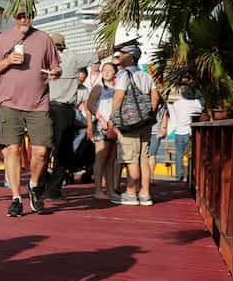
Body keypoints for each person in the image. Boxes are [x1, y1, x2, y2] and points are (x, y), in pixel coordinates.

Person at [0, 9, 60, 217]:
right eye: (19, 16)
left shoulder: (44, 39)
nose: (23, 19)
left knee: (42, 152)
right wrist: (8, 61)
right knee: (12, 150)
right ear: (13, 17)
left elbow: (56, 67)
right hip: (9, 102)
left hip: (39, 103)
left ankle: (34, 185)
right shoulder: (3, 39)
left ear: (32, 16)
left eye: (27, 15)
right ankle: (16, 198)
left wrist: (56, 73)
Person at [45, 33, 108, 201]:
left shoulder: (43, 58)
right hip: (64, 110)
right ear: (63, 45)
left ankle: (38, 186)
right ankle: (53, 190)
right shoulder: (71, 57)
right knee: (63, 151)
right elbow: (97, 56)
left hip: (44, 108)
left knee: (43, 150)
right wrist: (113, 48)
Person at [110, 45, 160, 206]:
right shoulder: (146, 75)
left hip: (128, 123)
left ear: (131, 57)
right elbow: (155, 97)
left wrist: (113, 117)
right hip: (145, 122)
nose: (120, 57)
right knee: (144, 158)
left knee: (130, 158)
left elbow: (118, 96)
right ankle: (145, 193)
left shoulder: (124, 74)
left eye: (123, 54)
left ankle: (131, 193)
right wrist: (148, 114)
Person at [87, 62, 119, 199]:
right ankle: (98, 190)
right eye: (104, 70)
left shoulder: (118, 88)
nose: (106, 72)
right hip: (102, 125)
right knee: (101, 157)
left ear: (115, 73)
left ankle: (111, 189)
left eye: (109, 70)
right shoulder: (99, 87)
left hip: (115, 125)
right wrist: (101, 119)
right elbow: (90, 104)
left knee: (111, 159)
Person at [162, 87, 203, 183]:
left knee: (179, 155)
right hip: (190, 132)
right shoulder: (196, 103)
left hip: (179, 132)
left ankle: (178, 177)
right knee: (192, 155)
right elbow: (202, 107)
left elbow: (169, 107)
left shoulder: (177, 104)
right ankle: (191, 175)